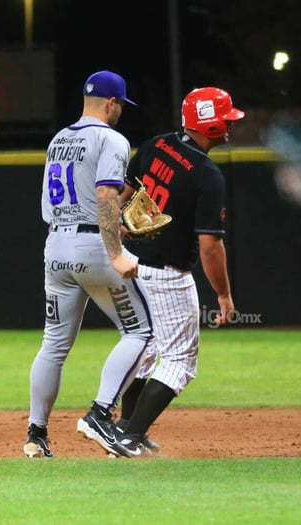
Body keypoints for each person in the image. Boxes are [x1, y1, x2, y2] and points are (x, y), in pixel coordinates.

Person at [24, 70, 154, 459]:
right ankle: (100, 414)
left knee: (53, 345)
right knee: (142, 331)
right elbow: (104, 195)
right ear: (112, 103)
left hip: (56, 246)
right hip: (93, 246)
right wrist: (116, 251)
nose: (120, 113)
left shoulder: (59, 139)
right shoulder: (112, 138)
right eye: (120, 106)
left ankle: (36, 435)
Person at [114, 87, 244, 456]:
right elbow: (210, 246)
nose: (230, 124)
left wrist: (112, 235)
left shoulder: (157, 144)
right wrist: (223, 295)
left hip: (131, 263)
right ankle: (130, 436)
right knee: (180, 361)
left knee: (148, 347)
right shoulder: (207, 175)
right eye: (226, 118)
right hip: (167, 274)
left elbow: (121, 194)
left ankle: (124, 426)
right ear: (212, 125)